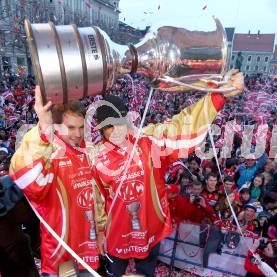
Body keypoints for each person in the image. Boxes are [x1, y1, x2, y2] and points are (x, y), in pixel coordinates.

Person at [93, 70, 244, 276]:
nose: (116, 131)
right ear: (100, 129)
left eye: (119, 123)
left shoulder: (148, 140)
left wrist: (220, 95)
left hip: (149, 229)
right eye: (109, 127)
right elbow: (97, 200)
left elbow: (182, 126)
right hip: (116, 234)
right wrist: (101, 231)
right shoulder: (95, 158)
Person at [9, 86, 100, 276]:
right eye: (71, 128)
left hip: (89, 249)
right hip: (61, 254)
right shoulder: (49, 152)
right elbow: (25, 177)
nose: (78, 134)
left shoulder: (89, 151)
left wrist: (101, 230)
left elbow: (97, 199)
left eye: (82, 127)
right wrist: (43, 127)